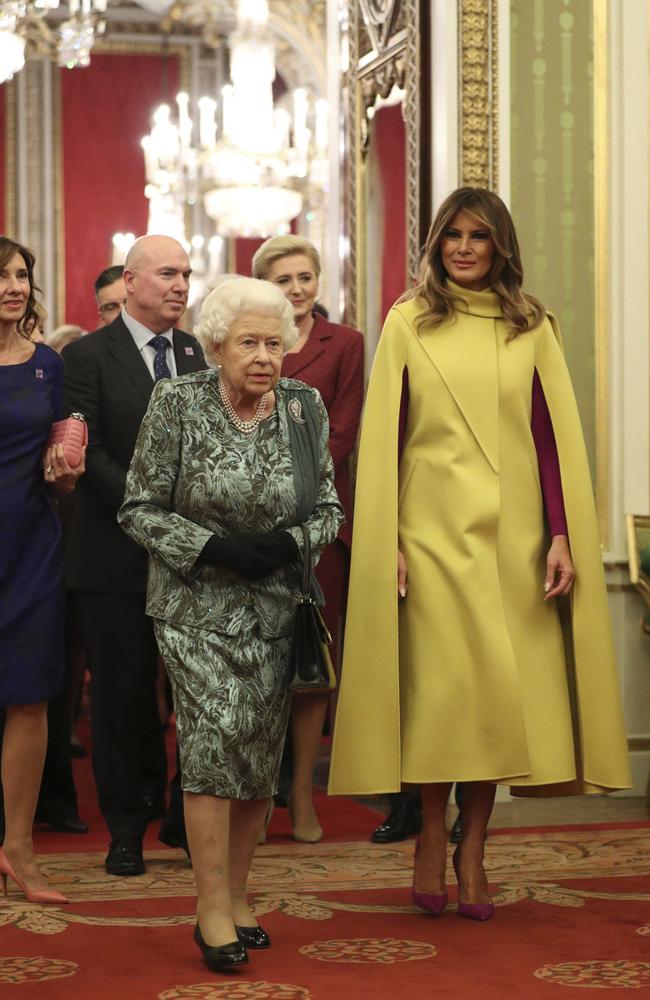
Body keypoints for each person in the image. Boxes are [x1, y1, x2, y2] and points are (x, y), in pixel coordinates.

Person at [328, 187, 631, 921]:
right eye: (454, 236)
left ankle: (475, 846)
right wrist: (387, 540)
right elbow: (387, 438)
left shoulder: (531, 326)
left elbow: (553, 442)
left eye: (479, 237)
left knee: (498, 699)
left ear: (501, 247)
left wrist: (561, 535)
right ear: (437, 244)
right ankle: (432, 833)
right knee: (444, 698)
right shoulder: (408, 321)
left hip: (516, 542)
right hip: (429, 536)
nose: (464, 248)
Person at [118, 276, 343, 972]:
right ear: (216, 345)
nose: (264, 356)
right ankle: (210, 904)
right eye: (249, 342)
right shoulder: (177, 402)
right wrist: (211, 548)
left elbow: (329, 510)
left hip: (276, 606)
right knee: (215, 747)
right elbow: (140, 507)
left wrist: (286, 546)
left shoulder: (303, 408)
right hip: (196, 606)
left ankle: (239, 894)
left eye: (275, 343)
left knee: (257, 754)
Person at [63, 235, 206, 876]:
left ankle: (179, 817)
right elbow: (83, 449)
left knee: (189, 695)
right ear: (130, 281)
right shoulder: (89, 356)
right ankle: (125, 830)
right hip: (114, 554)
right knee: (121, 698)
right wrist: (151, 506)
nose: (180, 285)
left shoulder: (195, 351)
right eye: (168, 274)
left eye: (186, 275)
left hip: (187, 558)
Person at [252, 236, 364, 843]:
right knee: (263, 660)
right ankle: (262, 787)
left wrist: (296, 505)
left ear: (319, 280)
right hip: (251, 526)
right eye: (283, 279)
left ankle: (301, 793)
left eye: (304, 277)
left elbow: (340, 433)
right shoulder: (248, 337)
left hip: (321, 526)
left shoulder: (343, 344)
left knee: (313, 662)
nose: (295, 289)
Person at [0, 237, 85, 904]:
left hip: (31, 544)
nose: (12, 286)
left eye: (21, 274)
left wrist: (66, 469)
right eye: (1, 276)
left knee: (29, 697)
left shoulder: (47, 365)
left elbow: (62, 453)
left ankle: (21, 850)